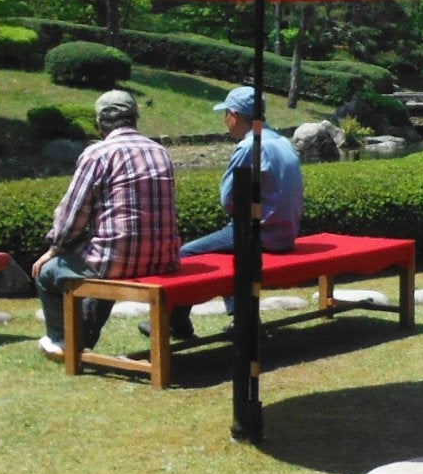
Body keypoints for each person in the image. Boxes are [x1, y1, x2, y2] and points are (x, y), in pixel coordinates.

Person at [33, 89, 179, 359]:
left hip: (117, 261)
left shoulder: (98, 154)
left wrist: (54, 248)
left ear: (99, 122)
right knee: (105, 260)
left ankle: (62, 340)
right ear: (135, 118)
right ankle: (83, 338)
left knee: (46, 273)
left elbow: (72, 214)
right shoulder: (160, 152)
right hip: (164, 259)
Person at [163, 85, 305, 341]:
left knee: (187, 254)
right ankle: (243, 317)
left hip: (260, 235)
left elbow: (229, 200)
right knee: (231, 251)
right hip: (285, 233)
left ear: (235, 115)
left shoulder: (250, 146)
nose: (225, 122)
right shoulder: (282, 141)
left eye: (226, 115)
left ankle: (177, 324)